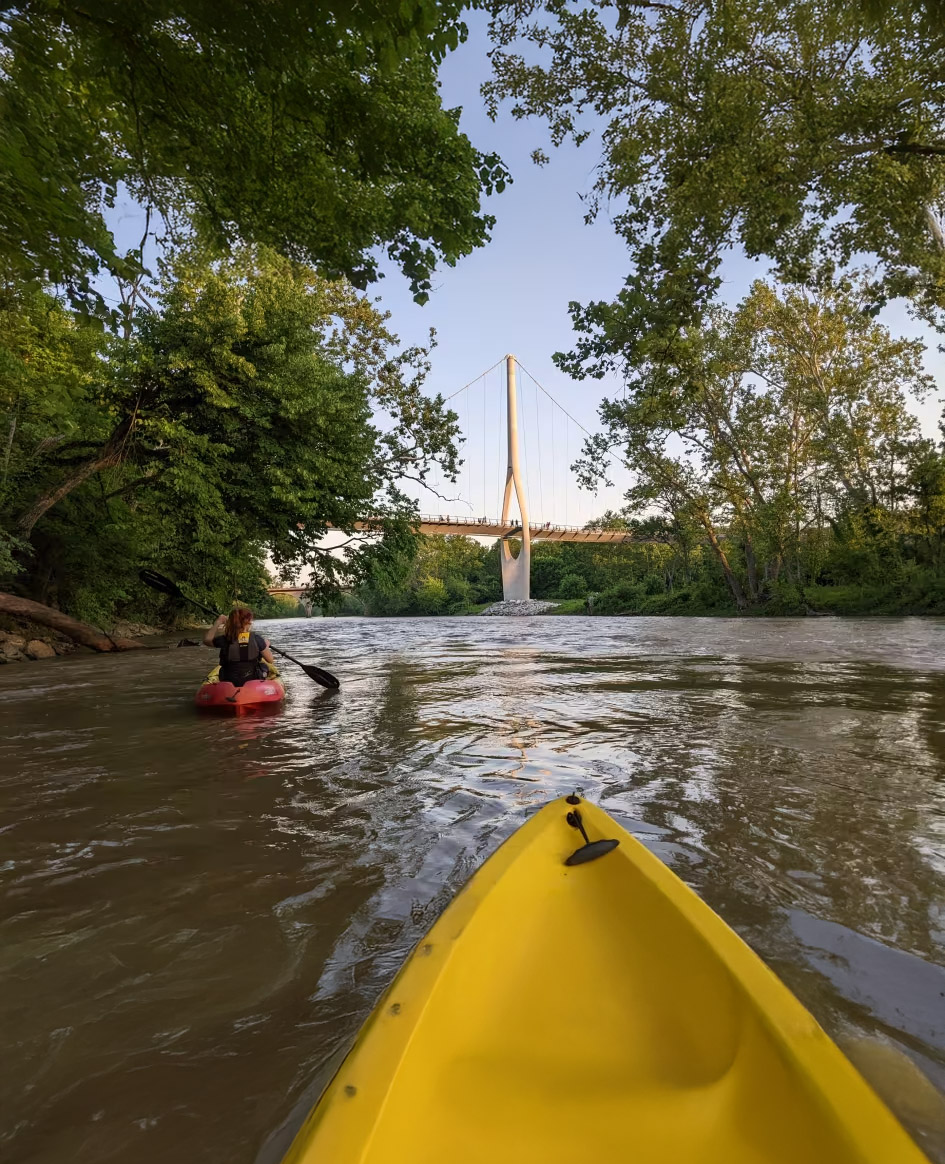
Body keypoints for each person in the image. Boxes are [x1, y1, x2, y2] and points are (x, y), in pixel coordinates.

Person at [203, 607, 275, 686]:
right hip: (253, 679)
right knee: (264, 666)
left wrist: (218, 622)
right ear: (248, 621)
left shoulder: (225, 639)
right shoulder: (257, 639)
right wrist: (265, 645)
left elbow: (207, 640)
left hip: (229, 680)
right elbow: (270, 660)